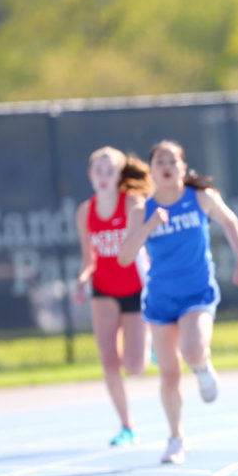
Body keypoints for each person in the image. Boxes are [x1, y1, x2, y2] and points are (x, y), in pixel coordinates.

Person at [119, 140, 238, 464]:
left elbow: (230, 221)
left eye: (172, 160)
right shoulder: (142, 209)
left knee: (192, 349)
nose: (166, 166)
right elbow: (124, 256)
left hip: (197, 292)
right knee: (169, 373)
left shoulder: (201, 198)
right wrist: (149, 226)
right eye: (159, 161)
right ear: (152, 171)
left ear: (182, 167)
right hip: (161, 299)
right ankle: (176, 437)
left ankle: (203, 366)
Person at [74, 147, 153, 447]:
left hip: (135, 288)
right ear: (90, 175)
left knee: (134, 367)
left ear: (120, 176)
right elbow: (88, 258)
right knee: (108, 360)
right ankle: (126, 425)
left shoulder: (132, 203)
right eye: (99, 171)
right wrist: (82, 280)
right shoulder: (85, 211)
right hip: (104, 291)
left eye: (110, 171)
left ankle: (148, 341)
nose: (104, 177)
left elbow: (143, 244)